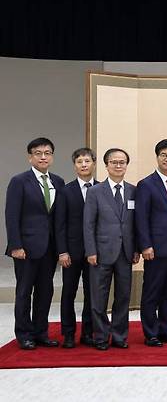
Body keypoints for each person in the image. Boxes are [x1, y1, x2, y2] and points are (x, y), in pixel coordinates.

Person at [5, 137, 65, 350]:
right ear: (30, 157)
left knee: (45, 291)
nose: (43, 156)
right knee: (24, 292)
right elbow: (11, 216)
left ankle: (41, 332)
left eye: (47, 153)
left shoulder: (58, 181)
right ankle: (24, 334)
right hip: (26, 249)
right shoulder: (19, 181)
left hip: (49, 249)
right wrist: (15, 246)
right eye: (38, 153)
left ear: (52, 156)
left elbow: (58, 218)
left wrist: (61, 248)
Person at [83, 148, 139, 350]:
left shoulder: (134, 190)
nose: (118, 165)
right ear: (106, 165)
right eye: (114, 162)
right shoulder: (95, 192)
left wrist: (136, 249)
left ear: (126, 165)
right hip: (101, 253)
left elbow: (136, 224)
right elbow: (88, 224)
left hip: (126, 253)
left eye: (122, 162)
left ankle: (119, 336)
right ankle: (100, 336)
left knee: (123, 297)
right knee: (99, 298)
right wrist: (91, 251)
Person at [136, 139, 167, 347]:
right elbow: (141, 218)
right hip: (155, 249)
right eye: (164, 155)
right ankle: (151, 333)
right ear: (157, 157)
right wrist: (145, 245)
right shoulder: (146, 184)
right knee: (152, 291)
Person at [55, 147, 99, 348]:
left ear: (94, 163)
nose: (83, 165)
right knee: (69, 293)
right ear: (75, 166)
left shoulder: (101, 189)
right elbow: (60, 224)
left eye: (87, 161)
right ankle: (69, 333)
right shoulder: (65, 191)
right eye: (79, 161)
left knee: (92, 294)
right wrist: (62, 251)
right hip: (71, 253)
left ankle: (88, 332)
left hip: (94, 253)